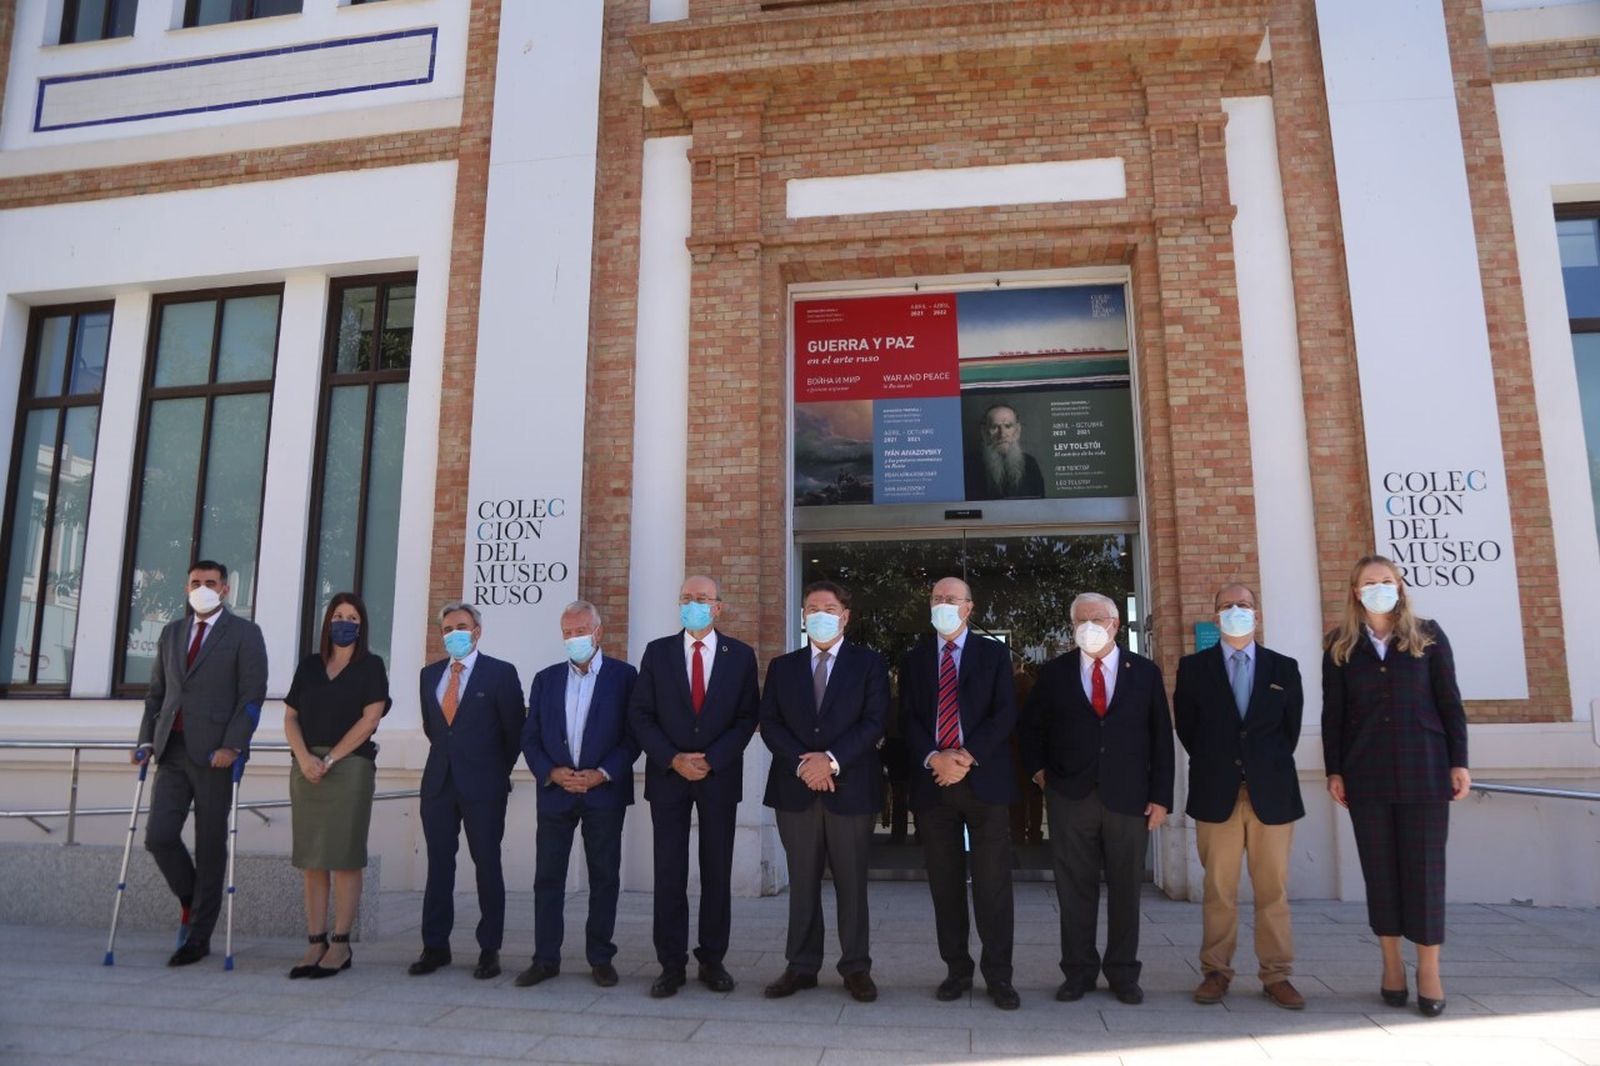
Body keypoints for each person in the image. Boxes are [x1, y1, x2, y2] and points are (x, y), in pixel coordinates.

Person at [1322, 555, 1470, 1018]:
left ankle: (1429, 970)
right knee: (1380, 871)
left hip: (1425, 768)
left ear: (1400, 587)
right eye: (1370, 582)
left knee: (1425, 872)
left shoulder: (1428, 635)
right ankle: (1391, 966)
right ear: (1355, 591)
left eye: (1387, 580)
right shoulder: (1340, 644)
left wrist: (1458, 762)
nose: (1380, 587)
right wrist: (1335, 769)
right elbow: (1334, 714)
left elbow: (1449, 700)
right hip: (1366, 773)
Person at [1021, 591, 1173, 1005]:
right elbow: (1030, 728)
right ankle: (1078, 972)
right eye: (1080, 620)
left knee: (1126, 889)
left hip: (1129, 798)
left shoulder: (1143, 672)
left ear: (1116, 624)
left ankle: (1123, 973)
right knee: (1074, 890)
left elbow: (1161, 738)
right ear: (1071, 627)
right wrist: (1040, 772)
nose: (1089, 626)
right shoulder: (1054, 673)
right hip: (1071, 796)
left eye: (1098, 618)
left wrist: (1161, 797)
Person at [1174, 583, 1305, 1009]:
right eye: (1227, 606)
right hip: (1218, 796)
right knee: (1219, 891)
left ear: (1257, 613)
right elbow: (1189, 730)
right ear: (1216, 617)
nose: (1236, 611)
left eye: (1244, 605)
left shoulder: (1284, 669)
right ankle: (1216, 971)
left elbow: (1290, 732)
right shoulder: (1193, 669)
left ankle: (1277, 975)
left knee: (1273, 893)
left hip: (1272, 796)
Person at [628, 575, 759, 998]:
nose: (694, 604)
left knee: (716, 870)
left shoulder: (740, 655)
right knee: (669, 872)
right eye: (687, 598)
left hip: (718, 777)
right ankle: (670, 963)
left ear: (718, 607)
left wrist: (712, 759)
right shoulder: (657, 652)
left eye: (702, 598)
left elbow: (746, 717)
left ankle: (712, 959)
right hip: (669, 777)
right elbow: (641, 714)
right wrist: (673, 759)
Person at [759, 580, 888, 1003]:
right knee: (802, 883)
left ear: (845, 615)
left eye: (828, 607)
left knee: (852, 883)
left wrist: (829, 761)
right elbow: (771, 724)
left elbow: (874, 722)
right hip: (795, 789)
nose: (819, 613)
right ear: (802, 616)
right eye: (811, 607)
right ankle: (801, 966)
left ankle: (856, 967)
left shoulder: (869, 664)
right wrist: (804, 763)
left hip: (850, 789)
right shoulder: (783, 666)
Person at [133, 560, 267, 967]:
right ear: (186, 586)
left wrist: (233, 746)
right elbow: (157, 693)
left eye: (211, 583)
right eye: (196, 582)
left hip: (214, 756)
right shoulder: (172, 632)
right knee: (158, 836)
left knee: (210, 845)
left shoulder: (244, 634)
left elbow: (251, 696)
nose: (203, 588)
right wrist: (144, 740)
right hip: (170, 749)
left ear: (225, 589)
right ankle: (192, 900)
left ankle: (198, 936)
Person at [898, 577, 1022, 1010]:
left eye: (951, 599)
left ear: (969, 608)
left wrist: (965, 756)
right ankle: (956, 970)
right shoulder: (914, 659)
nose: (943, 605)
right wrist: (935, 758)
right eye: (936, 599)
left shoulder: (993, 654)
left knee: (992, 886)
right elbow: (908, 719)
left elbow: (1005, 713)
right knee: (945, 885)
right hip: (934, 786)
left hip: (983, 781)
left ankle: (999, 976)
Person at [516, 600, 639, 990]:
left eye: (581, 631)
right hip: (556, 793)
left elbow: (633, 736)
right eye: (568, 633)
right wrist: (551, 772)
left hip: (603, 793)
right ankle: (545, 958)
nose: (574, 638)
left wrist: (602, 774)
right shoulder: (545, 679)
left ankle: (601, 957)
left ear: (598, 632)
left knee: (604, 877)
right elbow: (530, 736)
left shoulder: (624, 676)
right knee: (547, 878)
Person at [410, 601, 526, 981]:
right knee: (439, 865)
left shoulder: (500, 673)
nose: (453, 633)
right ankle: (435, 947)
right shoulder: (429, 675)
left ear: (477, 631)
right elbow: (435, 729)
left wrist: (494, 771)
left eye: (460, 626)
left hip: (485, 786)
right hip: (439, 784)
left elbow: (513, 732)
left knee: (487, 865)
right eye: (446, 628)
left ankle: (489, 948)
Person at [282, 592, 390, 979]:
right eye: (340, 615)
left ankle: (341, 943)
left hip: (349, 767)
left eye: (354, 618)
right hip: (306, 767)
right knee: (312, 859)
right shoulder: (309, 667)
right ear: (328, 621)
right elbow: (290, 717)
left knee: (343, 856)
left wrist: (330, 759)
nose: (346, 622)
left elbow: (370, 719)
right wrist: (304, 758)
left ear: (362, 627)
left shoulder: (371, 666)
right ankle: (315, 940)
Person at [965, 403, 1045, 500]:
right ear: (984, 433)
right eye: (995, 427)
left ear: (1017, 431)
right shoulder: (969, 466)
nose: (1002, 434)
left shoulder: (1031, 464)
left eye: (1008, 426)